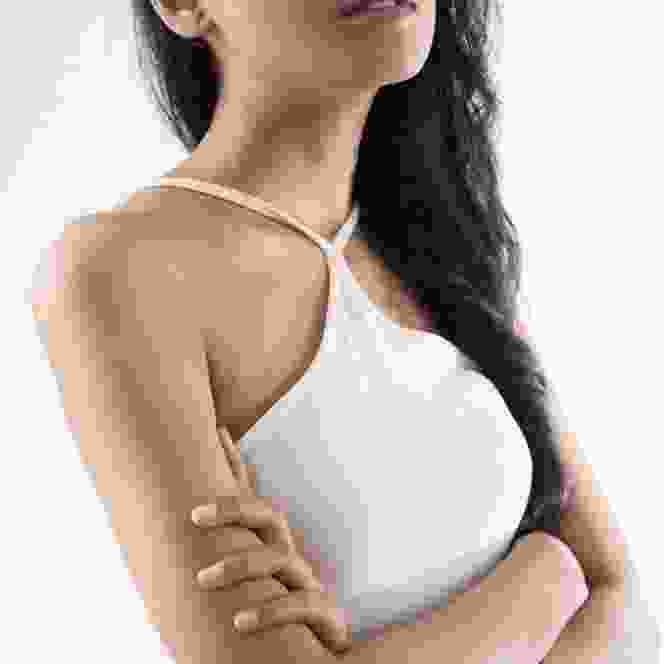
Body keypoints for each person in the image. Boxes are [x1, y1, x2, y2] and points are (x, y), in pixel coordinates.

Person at [32, 0, 661, 661]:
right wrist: (539, 585)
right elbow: (582, 580)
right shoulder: (123, 270)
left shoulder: (440, 240)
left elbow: (621, 601)